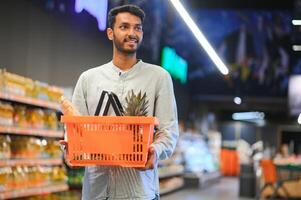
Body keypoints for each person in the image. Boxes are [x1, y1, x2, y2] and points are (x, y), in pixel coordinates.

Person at [64, 4, 179, 200]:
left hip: (139, 193)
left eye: (138, 27)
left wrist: (156, 151)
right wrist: (69, 150)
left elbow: (168, 130)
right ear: (110, 33)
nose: (132, 33)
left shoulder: (159, 77)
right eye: (124, 27)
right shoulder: (88, 79)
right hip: (97, 192)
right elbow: (74, 129)